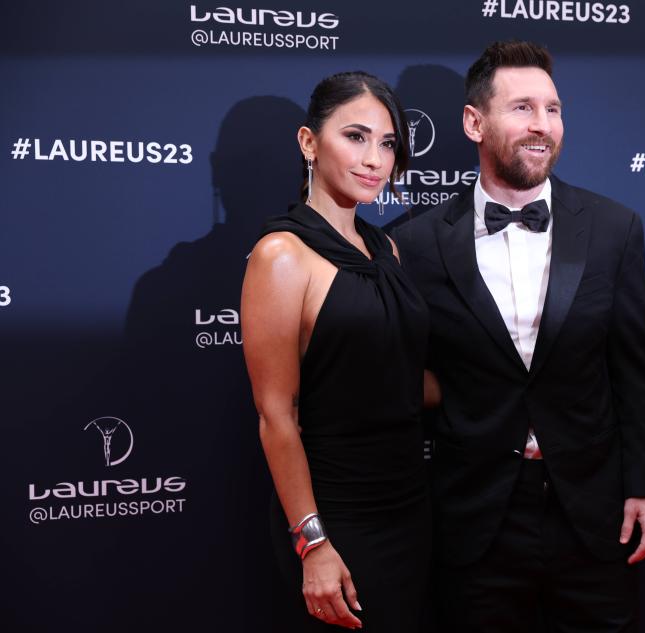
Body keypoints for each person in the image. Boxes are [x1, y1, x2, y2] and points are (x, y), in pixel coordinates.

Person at [392, 41, 645, 632]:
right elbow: (401, 382)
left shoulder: (614, 229)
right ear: (475, 123)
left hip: (592, 513)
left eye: (553, 109)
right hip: (475, 516)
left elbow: (636, 372)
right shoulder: (413, 245)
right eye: (522, 108)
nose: (543, 124)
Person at [241, 71, 431, 631]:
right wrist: (314, 542)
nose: (375, 159)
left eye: (388, 143)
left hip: (411, 505)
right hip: (338, 518)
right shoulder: (282, 255)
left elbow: (398, 377)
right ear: (308, 142)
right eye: (355, 136)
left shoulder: (386, 247)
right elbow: (276, 415)